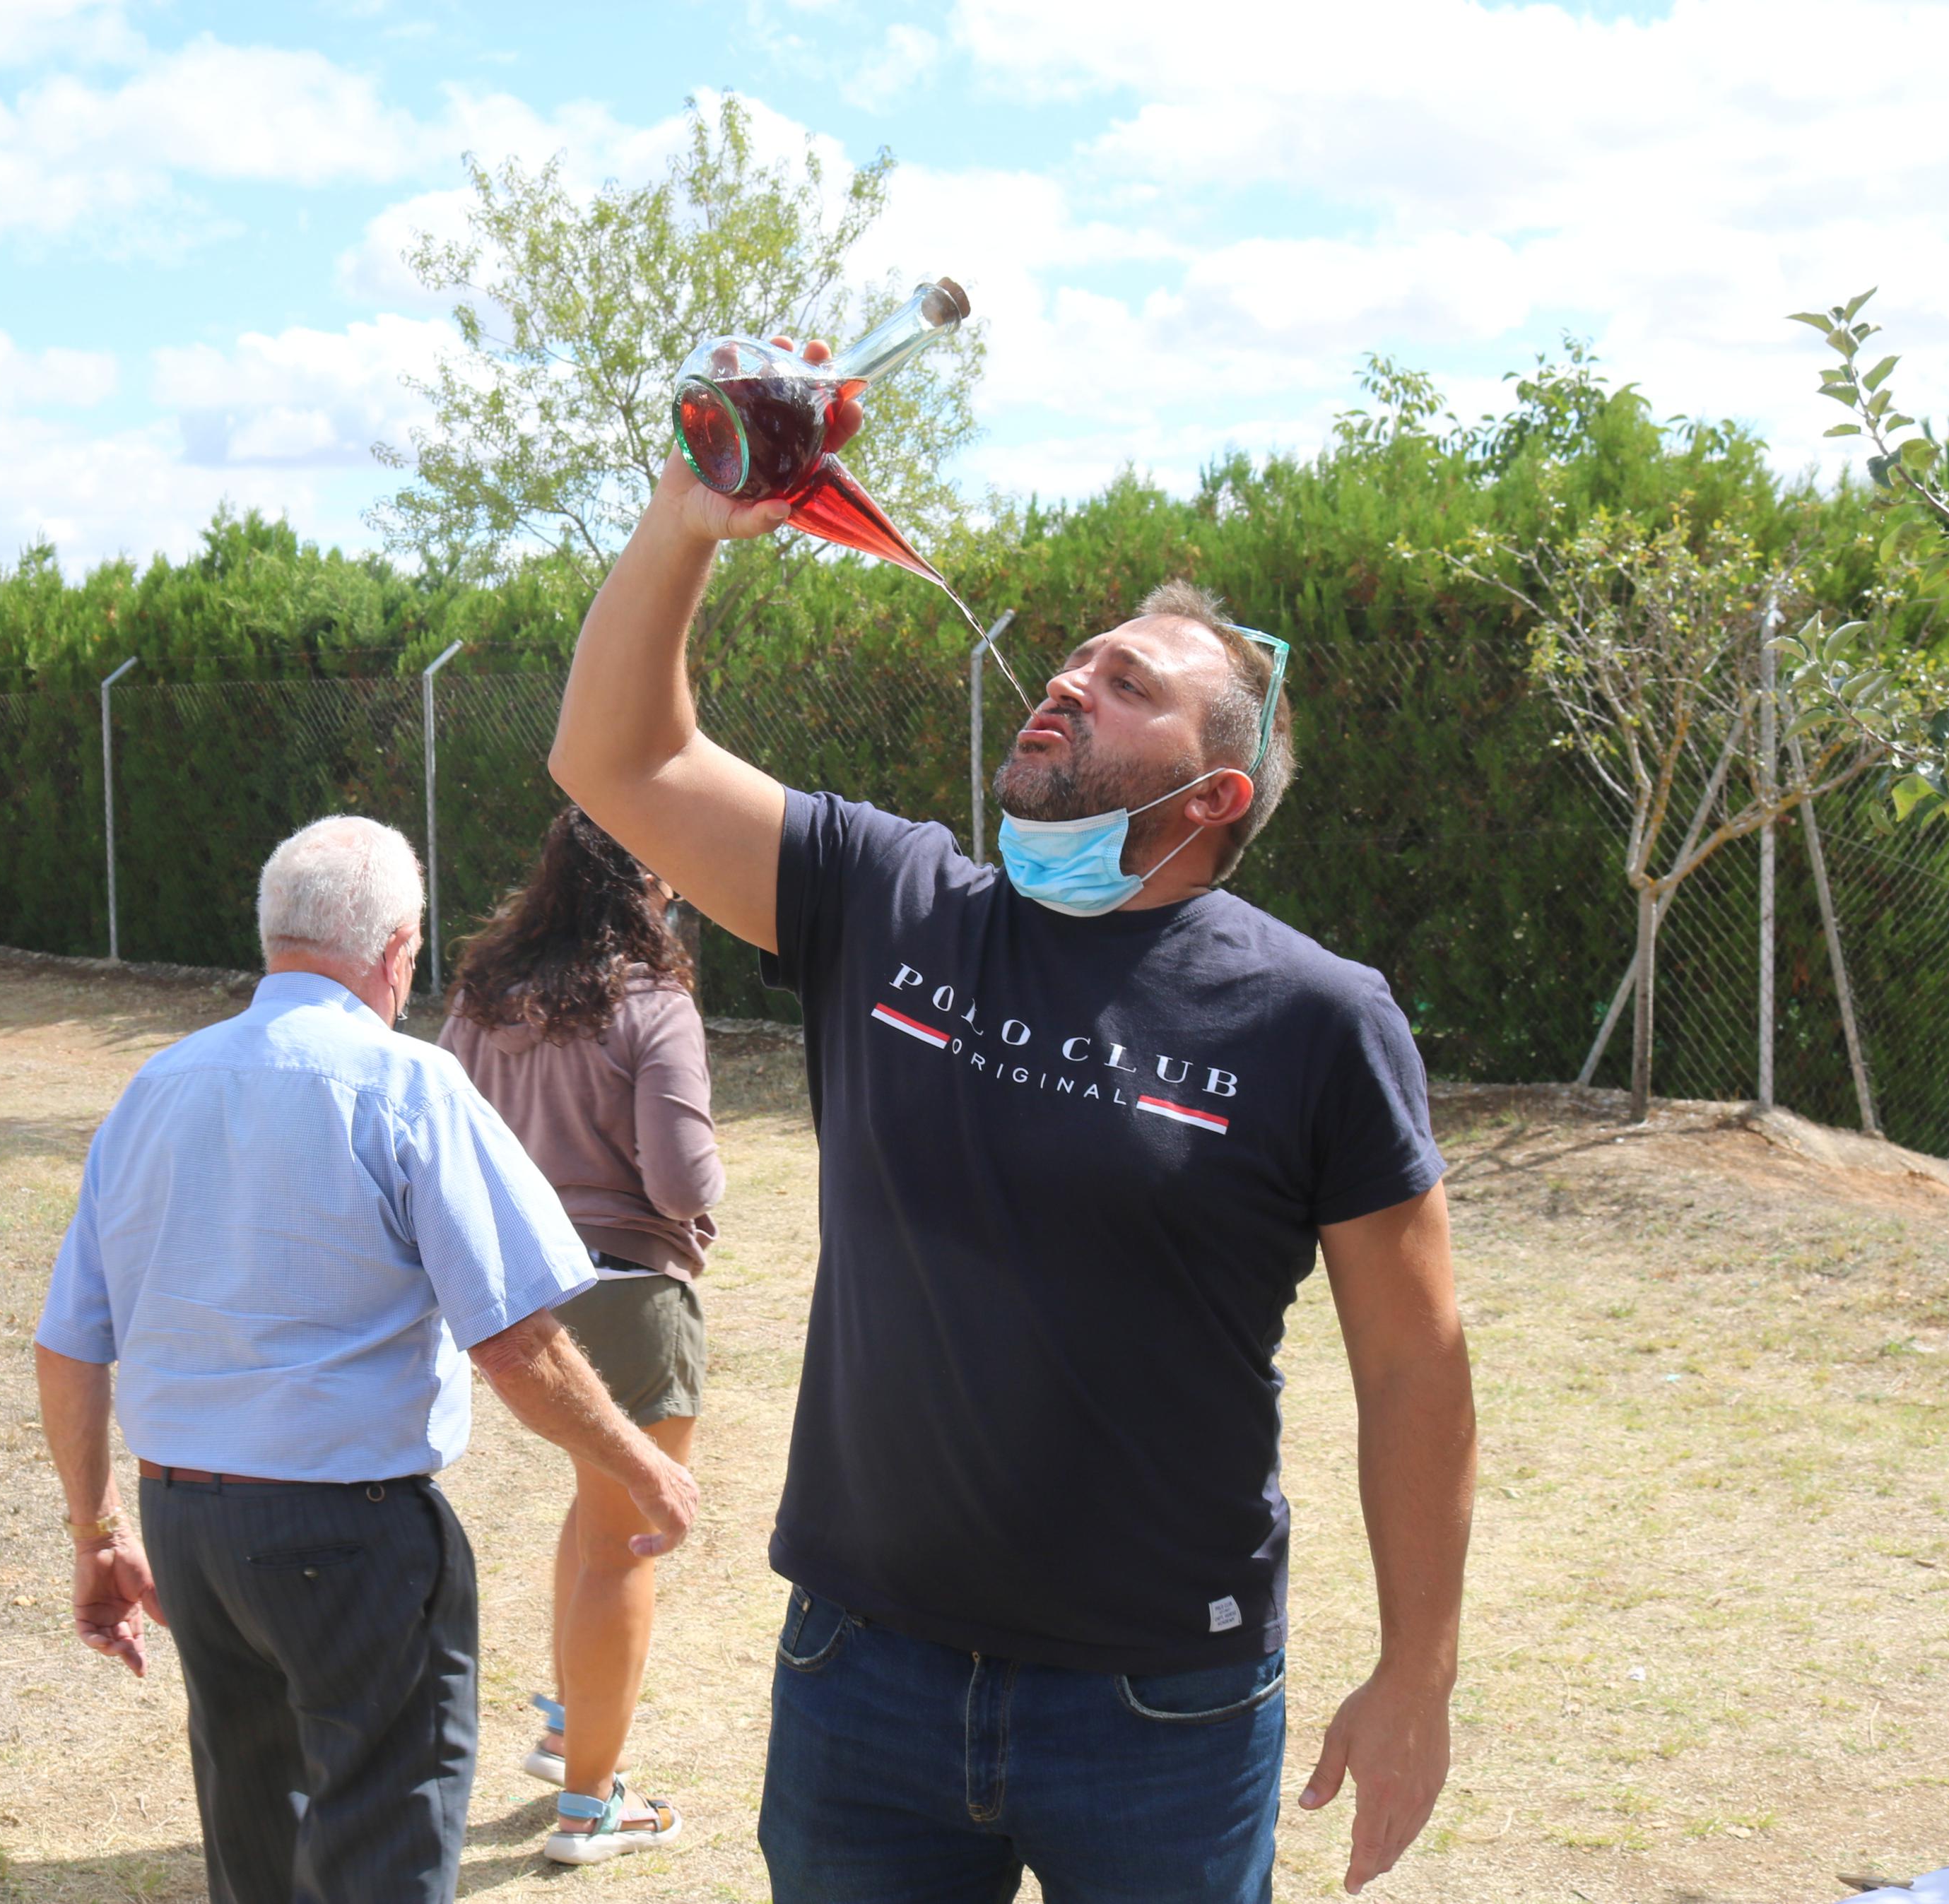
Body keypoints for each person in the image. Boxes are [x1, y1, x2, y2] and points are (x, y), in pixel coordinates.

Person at [547, 342, 1476, 1903]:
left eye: (1131, 685)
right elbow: (617, 756)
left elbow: (1413, 1363)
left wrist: (1416, 1674)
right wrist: (687, 516)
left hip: (1161, 1704)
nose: (1070, 679)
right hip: (864, 1669)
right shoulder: (889, 899)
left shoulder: (1319, 1017)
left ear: (1214, 796)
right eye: (1076, 658)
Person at [31, 814, 700, 1904]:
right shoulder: (407, 1086)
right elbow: (514, 1340)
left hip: (187, 1530)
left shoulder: (156, 1087)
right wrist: (642, 1462)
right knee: (385, 1841)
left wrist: (95, 1532)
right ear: (401, 950)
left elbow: (69, 1346)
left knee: (255, 1843)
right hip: (350, 1533)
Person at [438, 808, 724, 1866]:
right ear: (649, 886)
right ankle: (591, 1808)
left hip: (511, 1307)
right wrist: (713, 1192)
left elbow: (441, 1134)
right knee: (628, 1542)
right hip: (628, 1296)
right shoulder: (655, 1001)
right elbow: (681, 1181)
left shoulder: (481, 995)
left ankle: (570, 1726)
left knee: (594, 1507)